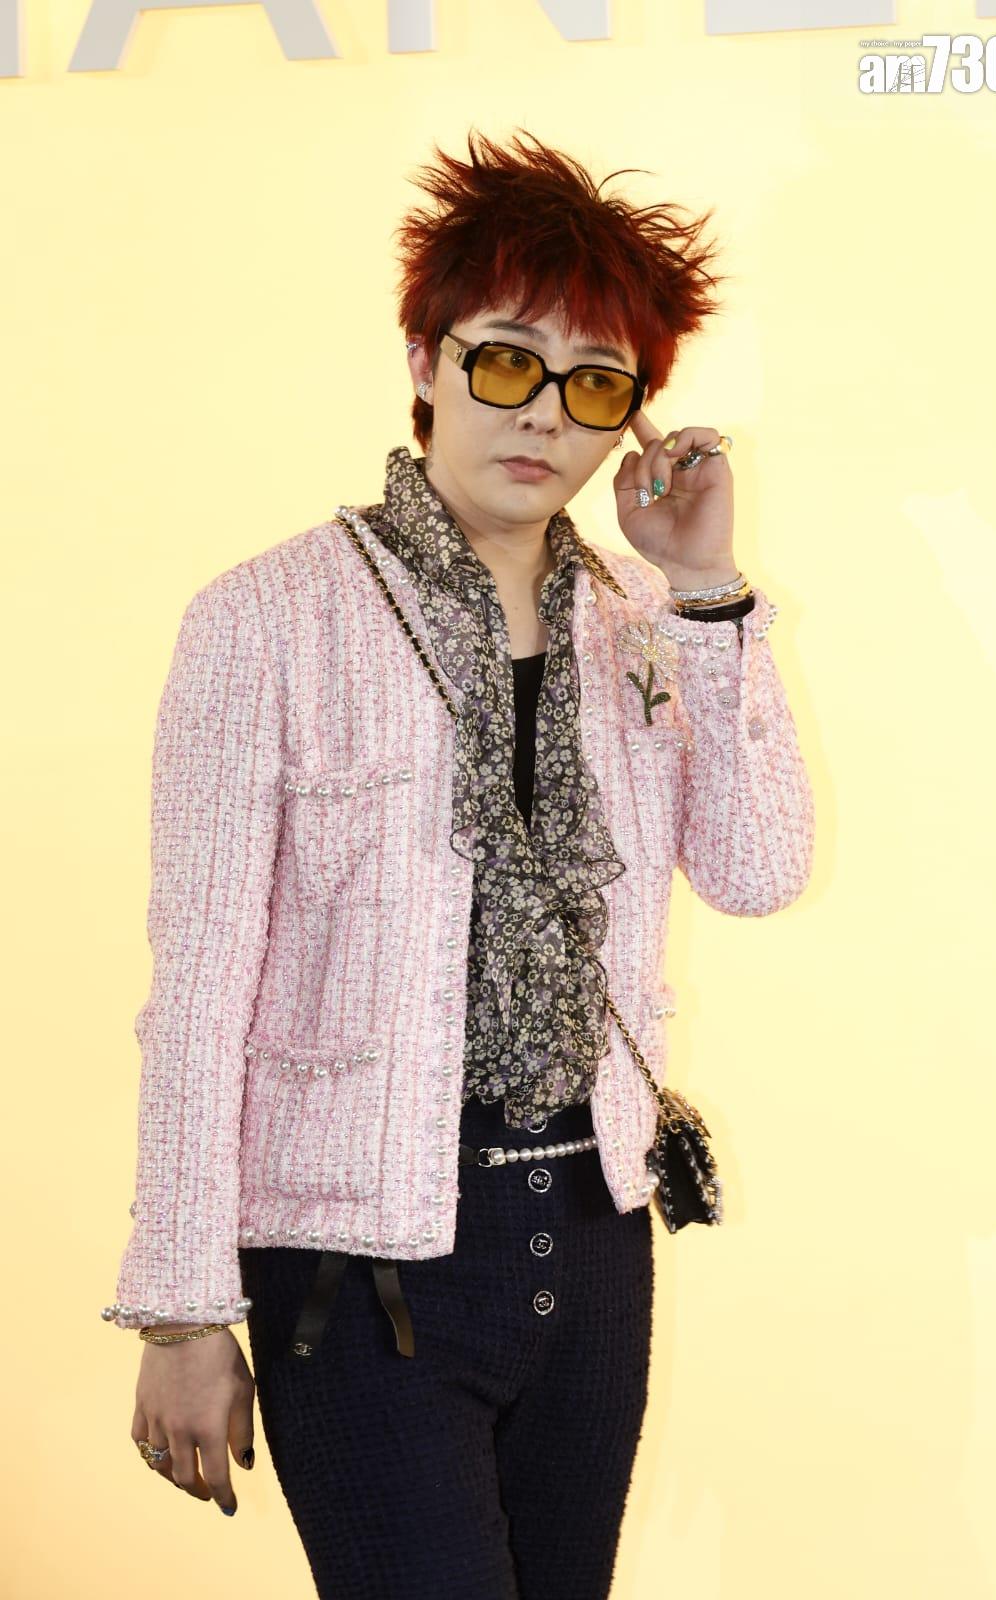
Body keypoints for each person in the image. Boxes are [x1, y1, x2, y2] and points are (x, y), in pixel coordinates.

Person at [105, 127, 816, 1598]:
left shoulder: (638, 623)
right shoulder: (269, 620)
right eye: (505, 361)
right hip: (361, 1268)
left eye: (595, 384)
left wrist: (703, 587)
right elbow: (202, 982)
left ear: (628, 421)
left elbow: (757, 869)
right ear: (426, 360)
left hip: (594, 1245)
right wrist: (181, 1310)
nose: (542, 413)